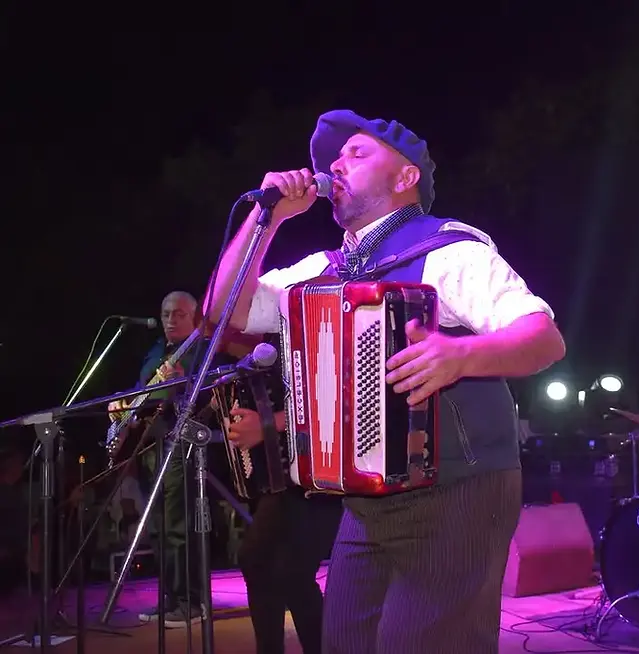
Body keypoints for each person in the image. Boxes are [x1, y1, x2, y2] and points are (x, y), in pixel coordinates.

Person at [204, 110, 566, 654]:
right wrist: (268, 220)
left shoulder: (448, 251)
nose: (335, 165)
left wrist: (460, 355)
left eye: (357, 153)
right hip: (366, 500)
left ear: (404, 178)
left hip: (460, 486)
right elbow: (222, 310)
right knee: (346, 641)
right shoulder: (321, 269)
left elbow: (544, 340)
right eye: (334, 157)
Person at [106, 290, 232, 627]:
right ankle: (171, 598)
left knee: (178, 525)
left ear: (194, 317)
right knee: (159, 527)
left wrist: (185, 384)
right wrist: (122, 405)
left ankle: (191, 601)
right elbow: (141, 390)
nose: (170, 320)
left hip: (180, 442)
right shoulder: (156, 352)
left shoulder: (203, 351)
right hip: (149, 443)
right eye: (165, 314)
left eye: (178, 314)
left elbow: (217, 394)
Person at [218, 337, 344, 654]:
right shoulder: (245, 365)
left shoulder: (291, 340)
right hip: (285, 483)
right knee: (275, 566)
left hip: (323, 471)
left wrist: (266, 425)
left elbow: (333, 398)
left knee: (280, 566)